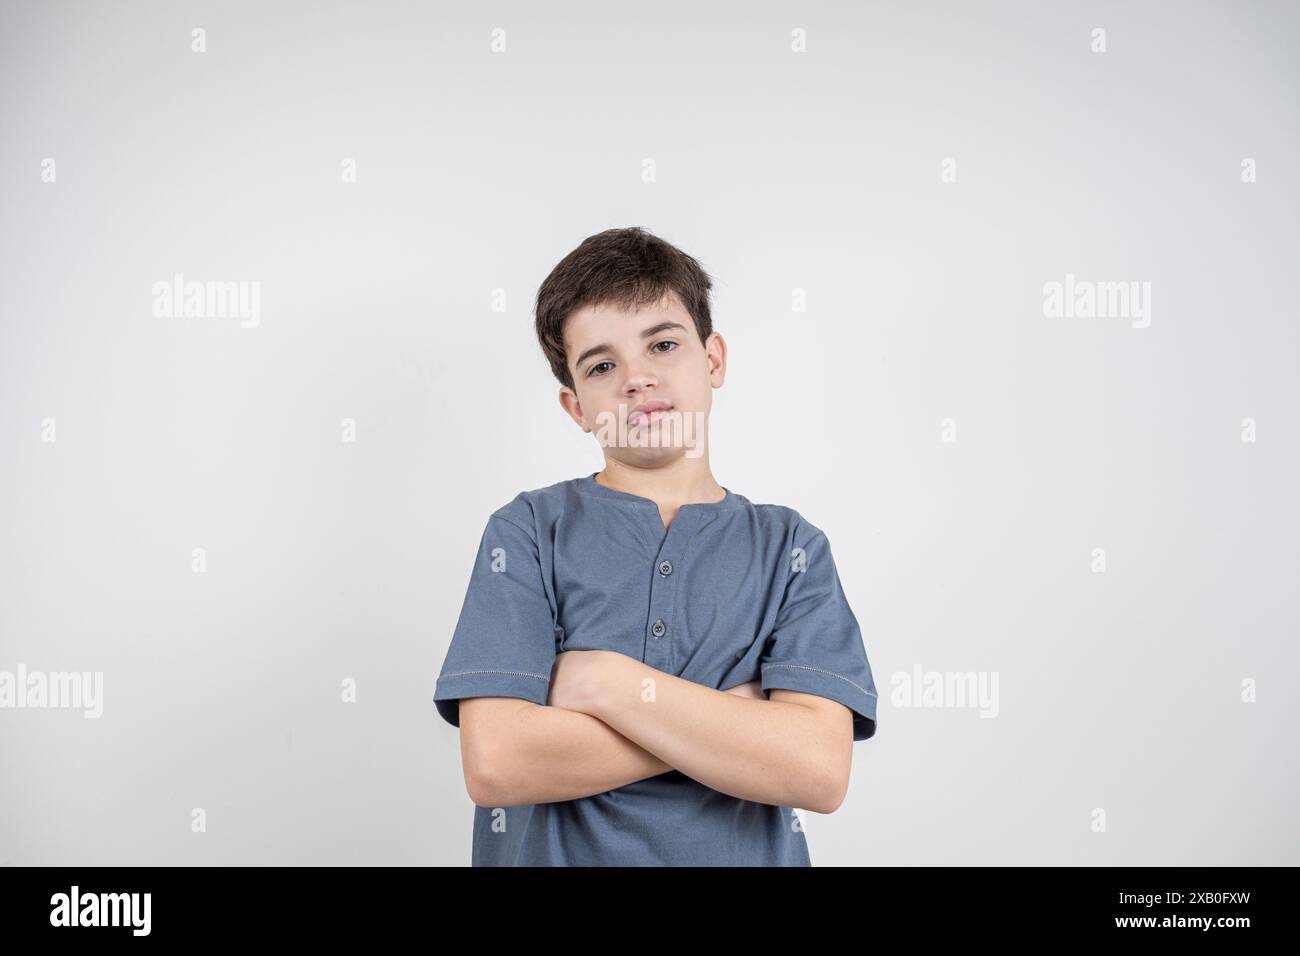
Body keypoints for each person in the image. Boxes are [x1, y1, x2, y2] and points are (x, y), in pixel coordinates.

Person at [433, 226, 878, 865]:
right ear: (575, 406)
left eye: (663, 345)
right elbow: (499, 764)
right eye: (602, 365)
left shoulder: (790, 548)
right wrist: (738, 725)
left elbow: (817, 771)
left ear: (714, 359)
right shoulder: (528, 531)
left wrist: (604, 684)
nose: (637, 380)